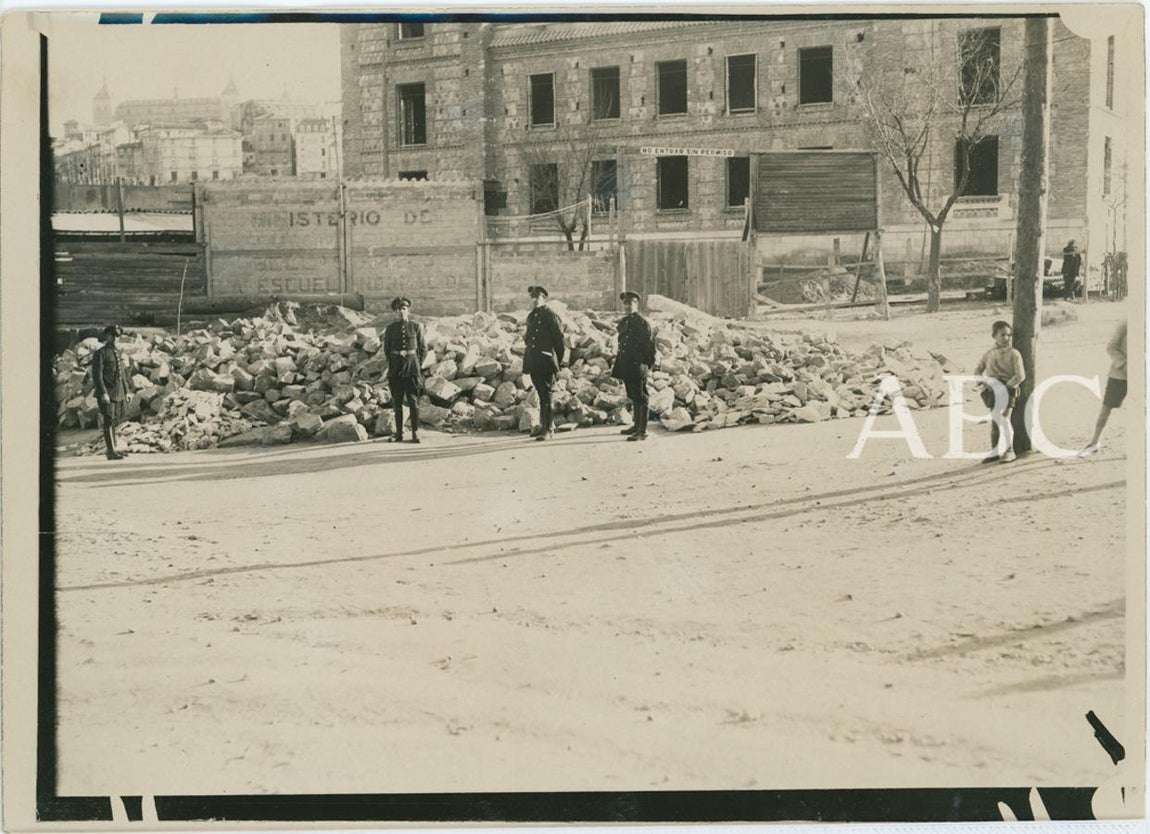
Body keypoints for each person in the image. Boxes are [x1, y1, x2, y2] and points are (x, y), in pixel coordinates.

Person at [974, 319, 1026, 463]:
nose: (1006, 338)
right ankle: (994, 452)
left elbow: (1020, 375)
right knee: (995, 422)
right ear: (994, 336)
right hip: (992, 391)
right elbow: (978, 370)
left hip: (1008, 390)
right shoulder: (988, 354)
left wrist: (1007, 386)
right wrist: (984, 382)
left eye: (1009, 335)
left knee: (1004, 419)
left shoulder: (1015, 354)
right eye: (1002, 335)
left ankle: (1010, 451)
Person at [612, 291, 657, 442]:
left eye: (630, 303)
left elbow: (649, 346)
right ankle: (636, 425)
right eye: (625, 303)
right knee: (632, 395)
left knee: (641, 397)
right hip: (626, 364)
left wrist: (647, 365)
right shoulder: (624, 322)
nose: (627, 306)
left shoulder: (642, 322)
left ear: (636, 304)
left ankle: (642, 431)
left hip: (638, 365)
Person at [523, 285, 566, 441]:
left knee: (546, 395)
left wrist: (557, 362)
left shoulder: (550, 315)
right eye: (532, 297)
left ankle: (548, 429)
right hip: (534, 360)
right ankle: (544, 425)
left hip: (546, 360)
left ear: (543, 298)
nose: (534, 300)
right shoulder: (531, 316)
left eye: (537, 297)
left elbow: (559, 341)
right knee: (540, 394)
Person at [1080, 320, 1127, 456]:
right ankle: (1094, 441)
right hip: (1120, 375)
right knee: (1106, 408)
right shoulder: (1126, 323)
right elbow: (1111, 347)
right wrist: (1124, 365)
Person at [382, 296, 427, 443]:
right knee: (397, 402)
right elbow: (387, 350)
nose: (401, 312)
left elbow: (423, 349)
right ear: (394, 312)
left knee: (413, 401)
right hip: (396, 371)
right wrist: (394, 364)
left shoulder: (416, 327)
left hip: (412, 370)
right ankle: (399, 434)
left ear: (408, 310)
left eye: (403, 308)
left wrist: (416, 365)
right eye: (398, 309)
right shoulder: (390, 329)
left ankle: (415, 433)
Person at [90, 324, 128, 460]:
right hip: (108, 393)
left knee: (116, 420)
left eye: (118, 336)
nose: (117, 338)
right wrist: (103, 392)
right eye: (114, 336)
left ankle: (114, 448)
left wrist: (127, 391)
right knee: (109, 420)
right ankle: (110, 451)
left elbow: (122, 374)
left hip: (119, 392)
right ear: (108, 337)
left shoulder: (117, 353)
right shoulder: (100, 353)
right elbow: (97, 375)